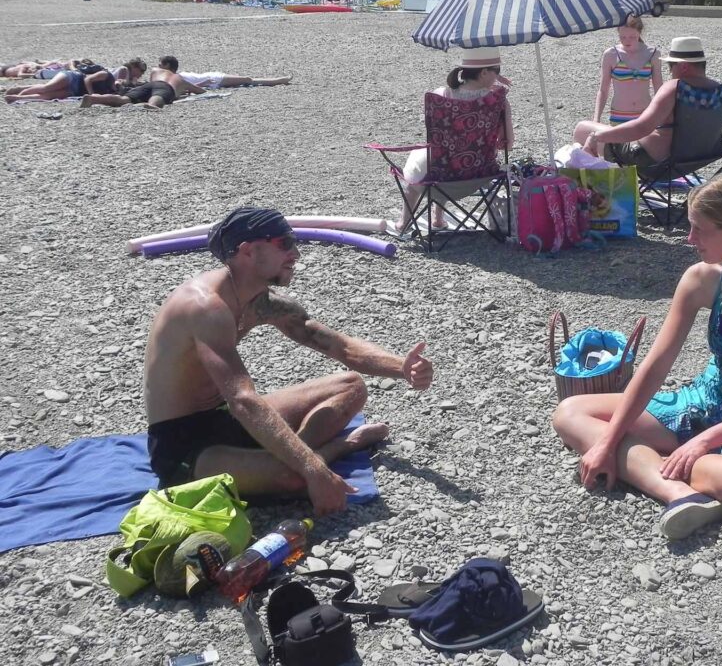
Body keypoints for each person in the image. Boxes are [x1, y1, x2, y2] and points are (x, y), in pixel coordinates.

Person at [552, 175, 722, 540]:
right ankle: (677, 492)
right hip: (706, 400)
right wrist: (605, 441)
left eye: (699, 230)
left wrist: (703, 441)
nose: (689, 239)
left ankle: (645, 462)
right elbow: (655, 366)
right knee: (570, 413)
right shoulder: (702, 278)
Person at [144, 207, 434, 515]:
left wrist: (401, 367)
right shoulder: (206, 308)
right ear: (248, 251)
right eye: (284, 243)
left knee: (351, 386)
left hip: (223, 417)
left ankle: (296, 458)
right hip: (183, 443)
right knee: (298, 478)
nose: (295, 253)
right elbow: (243, 399)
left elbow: (337, 345)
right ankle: (340, 447)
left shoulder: (258, 301)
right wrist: (312, 471)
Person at [391, 47, 514, 233]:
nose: (498, 76)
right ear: (483, 72)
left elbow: (440, 138)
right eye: (496, 71)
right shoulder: (498, 102)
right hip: (480, 174)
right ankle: (438, 218)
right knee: (449, 153)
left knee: (431, 154)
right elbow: (508, 145)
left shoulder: (442, 95)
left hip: (441, 178)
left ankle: (403, 223)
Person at [573, 36, 720, 169]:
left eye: (671, 66)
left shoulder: (675, 88)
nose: (670, 72)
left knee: (582, 129)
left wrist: (596, 137)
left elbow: (640, 128)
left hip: (652, 160)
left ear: (684, 66)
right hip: (696, 158)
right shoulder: (718, 90)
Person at [593, 14, 662, 127]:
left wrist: (663, 115)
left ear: (639, 33)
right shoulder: (610, 54)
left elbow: (659, 89)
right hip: (619, 116)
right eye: (622, 37)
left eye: (632, 37)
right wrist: (596, 119)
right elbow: (603, 90)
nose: (627, 41)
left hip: (645, 115)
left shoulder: (653, 54)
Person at [80, 55, 205, 111]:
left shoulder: (156, 71)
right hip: (165, 87)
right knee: (158, 97)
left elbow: (152, 84)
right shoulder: (180, 79)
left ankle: (94, 99)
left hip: (149, 85)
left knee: (123, 99)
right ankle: (152, 105)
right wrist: (185, 91)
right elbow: (201, 92)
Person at [4, 60, 117, 103]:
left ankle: (18, 98)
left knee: (50, 96)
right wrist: (92, 94)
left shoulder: (111, 91)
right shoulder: (107, 75)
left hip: (76, 91)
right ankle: (21, 91)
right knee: (46, 88)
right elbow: (88, 79)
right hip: (74, 77)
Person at [176, 70, 292, 89]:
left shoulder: (177, 76)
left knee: (247, 80)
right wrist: (204, 83)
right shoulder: (175, 78)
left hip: (212, 77)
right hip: (214, 80)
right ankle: (279, 80)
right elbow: (187, 87)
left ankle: (279, 80)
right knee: (247, 79)